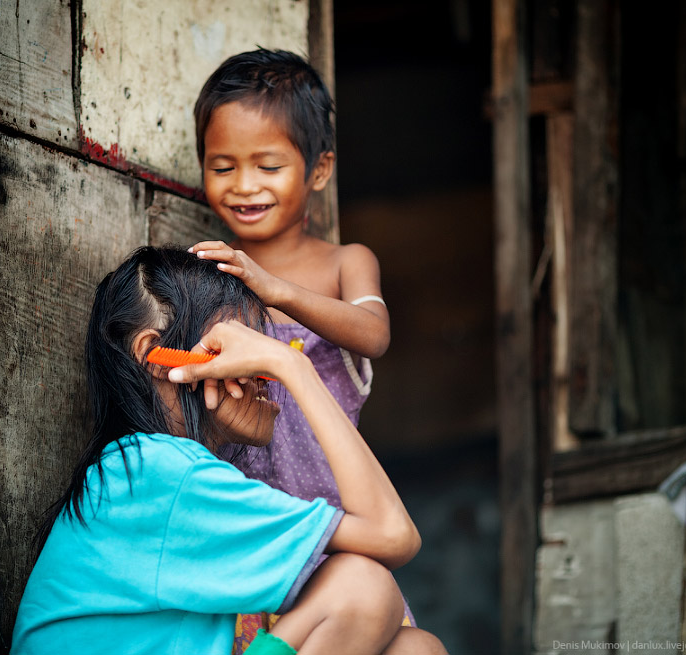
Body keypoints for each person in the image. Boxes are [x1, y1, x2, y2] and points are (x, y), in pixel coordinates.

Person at [11, 246, 446, 655]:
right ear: (155, 356)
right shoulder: (155, 472)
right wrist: (293, 364)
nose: (261, 373)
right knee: (365, 586)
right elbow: (393, 536)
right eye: (243, 352)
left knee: (416, 648)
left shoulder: (154, 469)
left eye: (259, 357)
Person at [190, 49, 412, 642]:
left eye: (267, 166)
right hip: (257, 542)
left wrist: (273, 289)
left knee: (422, 647)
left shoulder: (346, 262)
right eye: (223, 166)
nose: (243, 186)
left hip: (340, 531)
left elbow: (374, 333)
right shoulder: (206, 274)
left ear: (318, 170)